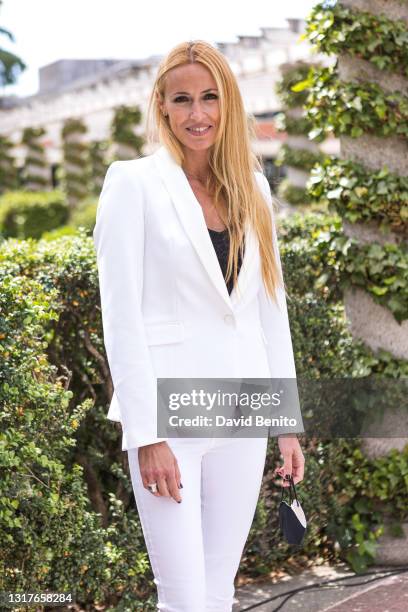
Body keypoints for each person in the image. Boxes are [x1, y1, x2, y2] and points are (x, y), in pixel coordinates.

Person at [93, 39, 305, 612]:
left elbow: (269, 310)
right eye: (182, 99)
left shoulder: (253, 190)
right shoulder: (131, 182)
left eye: (210, 97)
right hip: (169, 421)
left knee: (217, 593)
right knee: (184, 599)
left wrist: (286, 424)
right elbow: (122, 315)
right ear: (161, 106)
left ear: (229, 103)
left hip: (241, 412)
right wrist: (146, 435)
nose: (197, 113)